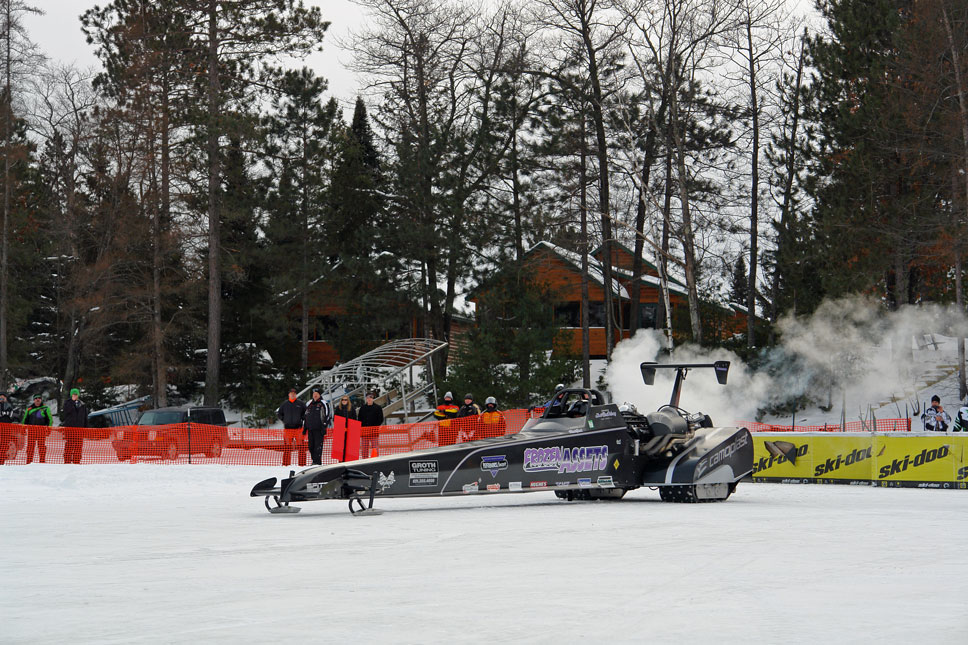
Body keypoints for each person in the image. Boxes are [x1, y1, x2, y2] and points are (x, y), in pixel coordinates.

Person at [277, 388, 307, 467]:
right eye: (291, 393)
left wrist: (302, 418)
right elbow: (279, 413)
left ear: (296, 394)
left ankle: (302, 464)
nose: (292, 394)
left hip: (298, 429)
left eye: (294, 393)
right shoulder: (285, 404)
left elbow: (306, 412)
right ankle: (286, 464)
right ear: (289, 395)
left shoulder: (300, 404)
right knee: (287, 447)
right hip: (288, 429)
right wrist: (284, 420)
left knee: (301, 447)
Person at [303, 388, 331, 466]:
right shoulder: (309, 403)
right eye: (314, 394)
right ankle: (314, 460)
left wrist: (324, 426)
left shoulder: (323, 403)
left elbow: (328, 415)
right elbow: (305, 416)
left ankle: (317, 462)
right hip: (310, 429)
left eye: (317, 394)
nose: (315, 395)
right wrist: (305, 428)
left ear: (319, 395)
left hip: (319, 429)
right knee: (310, 446)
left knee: (317, 447)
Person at [61, 388, 88, 464]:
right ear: (71, 395)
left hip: (80, 429)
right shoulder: (67, 403)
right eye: (73, 394)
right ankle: (67, 461)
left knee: (78, 446)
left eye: (76, 394)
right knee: (69, 445)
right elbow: (66, 412)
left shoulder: (82, 404)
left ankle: (77, 461)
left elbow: (85, 417)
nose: (75, 395)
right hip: (70, 428)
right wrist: (72, 402)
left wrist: (85, 428)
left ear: (78, 395)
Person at [22, 394, 53, 464]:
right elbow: (25, 419)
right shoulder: (29, 409)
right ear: (34, 400)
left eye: (39, 398)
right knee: (30, 447)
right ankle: (29, 462)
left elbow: (50, 420)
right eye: (36, 398)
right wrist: (23, 428)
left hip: (41, 431)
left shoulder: (45, 408)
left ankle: (42, 461)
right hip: (31, 431)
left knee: (41, 447)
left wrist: (49, 429)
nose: (37, 399)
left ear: (41, 400)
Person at [358, 391, 385, 459]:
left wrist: (375, 427)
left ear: (373, 398)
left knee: (375, 448)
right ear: (366, 399)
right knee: (364, 449)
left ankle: (375, 460)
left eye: (371, 397)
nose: (369, 399)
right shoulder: (362, 408)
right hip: (364, 432)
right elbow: (359, 419)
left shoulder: (378, 408)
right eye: (368, 398)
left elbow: (380, 419)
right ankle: (364, 461)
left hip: (374, 431)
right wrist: (362, 427)